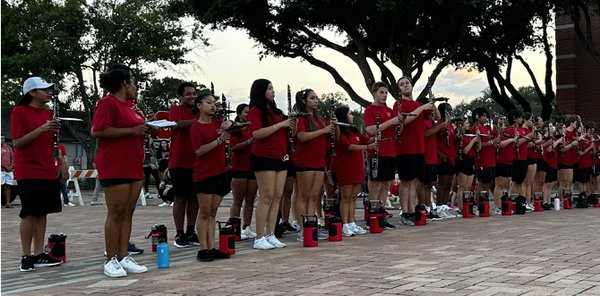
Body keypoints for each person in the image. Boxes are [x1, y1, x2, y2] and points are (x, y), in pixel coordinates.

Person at [93, 65, 147, 277]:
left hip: (133, 164)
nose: (134, 86)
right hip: (115, 164)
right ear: (125, 83)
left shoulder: (130, 107)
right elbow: (99, 130)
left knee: (128, 212)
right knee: (115, 213)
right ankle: (110, 259)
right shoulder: (108, 102)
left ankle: (124, 256)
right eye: (132, 81)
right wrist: (133, 130)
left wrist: (142, 125)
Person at [11, 76, 64, 272]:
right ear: (32, 93)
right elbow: (17, 142)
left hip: (47, 168)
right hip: (29, 169)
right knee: (29, 212)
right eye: (44, 89)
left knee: (42, 212)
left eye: (49, 89)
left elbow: (52, 144)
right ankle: (26, 255)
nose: (49, 92)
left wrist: (60, 162)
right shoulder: (19, 111)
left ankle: (39, 253)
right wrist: (42, 128)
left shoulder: (48, 113)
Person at [247, 79, 293, 250]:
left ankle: (270, 233)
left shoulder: (275, 111)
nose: (273, 91)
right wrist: (280, 124)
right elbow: (257, 133)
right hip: (263, 156)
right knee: (266, 196)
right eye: (269, 88)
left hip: (280, 156)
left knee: (277, 196)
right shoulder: (255, 111)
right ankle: (259, 237)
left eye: (273, 88)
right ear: (260, 91)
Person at [190, 92, 233, 261]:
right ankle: (203, 249)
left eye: (214, 103)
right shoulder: (196, 127)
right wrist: (219, 140)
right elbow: (199, 151)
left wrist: (229, 126)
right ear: (199, 105)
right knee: (205, 212)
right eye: (208, 102)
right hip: (204, 174)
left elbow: (231, 131)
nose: (213, 105)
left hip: (221, 172)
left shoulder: (217, 124)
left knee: (213, 212)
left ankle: (211, 246)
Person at [393, 77, 436, 225]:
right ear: (399, 89)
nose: (405, 86)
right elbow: (404, 120)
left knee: (415, 181)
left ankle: (411, 210)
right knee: (406, 181)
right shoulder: (399, 104)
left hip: (419, 148)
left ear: (412, 86)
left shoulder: (418, 104)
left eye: (407, 83)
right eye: (402, 85)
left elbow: (435, 117)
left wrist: (432, 104)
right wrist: (421, 108)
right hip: (405, 148)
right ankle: (405, 212)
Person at [293, 89, 333, 241]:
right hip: (305, 160)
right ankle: (303, 230)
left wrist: (331, 128)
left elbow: (329, 135)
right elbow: (301, 136)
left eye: (316, 98)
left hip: (319, 160)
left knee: (314, 196)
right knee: (304, 195)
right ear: (304, 101)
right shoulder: (301, 118)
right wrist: (323, 130)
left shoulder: (320, 118)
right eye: (312, 98)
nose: (316, 101)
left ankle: (311, 225)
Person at [332, 106, 375, 236]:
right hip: (345, 167)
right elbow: (348, 146)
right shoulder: (339, 130)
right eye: (350, 114)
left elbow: (367, 139)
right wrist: (368, 147)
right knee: (345, 198)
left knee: (353, 197)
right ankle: (345, 224)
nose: (352, 116)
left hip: (357, 167)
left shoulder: (354, 130)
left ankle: (351, 222)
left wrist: (378, 132)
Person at [364, 81, 401, 228]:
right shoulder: (370, 110)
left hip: (390, 149)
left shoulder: (390, 111)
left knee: (386, 184)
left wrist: (399, 123)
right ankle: (373, 215)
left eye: (386, 93)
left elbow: (396, 130)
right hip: (377, 150)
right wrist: (392, 121)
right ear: (374, 93)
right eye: (381, 92)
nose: (384, 95)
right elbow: (371, 129)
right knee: (376, 184)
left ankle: (381, 213)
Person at [168, 82, 201, 248]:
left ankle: (191, 231)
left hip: (196, 161)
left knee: (195, 198)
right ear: (180, 97)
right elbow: (176, 124)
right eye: (188, 94)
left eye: (194, 94)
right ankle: (179, 232)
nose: (192, 97)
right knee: (180, 197)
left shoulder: (199, 111)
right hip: (179, 161)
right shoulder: (176, 110)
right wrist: (198, 120)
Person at [229, 103, 258, 239]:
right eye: (246, 112)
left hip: (252, 165)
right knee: (238, 199)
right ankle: (234, 227)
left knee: (250, 199)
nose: (248, 115)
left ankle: (246, 226)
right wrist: (249, 142)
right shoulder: (235, 128)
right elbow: (233, 148)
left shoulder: (253, 127)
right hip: (239, 166)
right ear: (239, 113)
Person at [1, 134, 16, 208]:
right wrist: (5, 166)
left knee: (8, 186)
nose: (2, 140)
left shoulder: (8, 147)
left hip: (8, 170)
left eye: (3, 138)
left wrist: (10, 166)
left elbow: (12, 157)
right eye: (1, 138)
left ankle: (7, 202)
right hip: (1, 170)